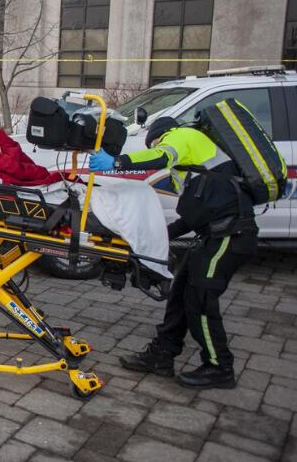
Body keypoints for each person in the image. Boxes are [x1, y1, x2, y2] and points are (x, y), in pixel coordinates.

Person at [90, 117, 257, 389]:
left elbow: (161, 155)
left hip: (230, 236)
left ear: (160, 135)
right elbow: (192, 218)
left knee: (201, 301)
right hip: (213, 235)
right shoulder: (197, 165)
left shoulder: (182, 135)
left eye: (155, 142)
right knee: (180, 296)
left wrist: (117, 162)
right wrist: (152, 237)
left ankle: (219, 367)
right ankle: (162, 355)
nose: (158, 145)